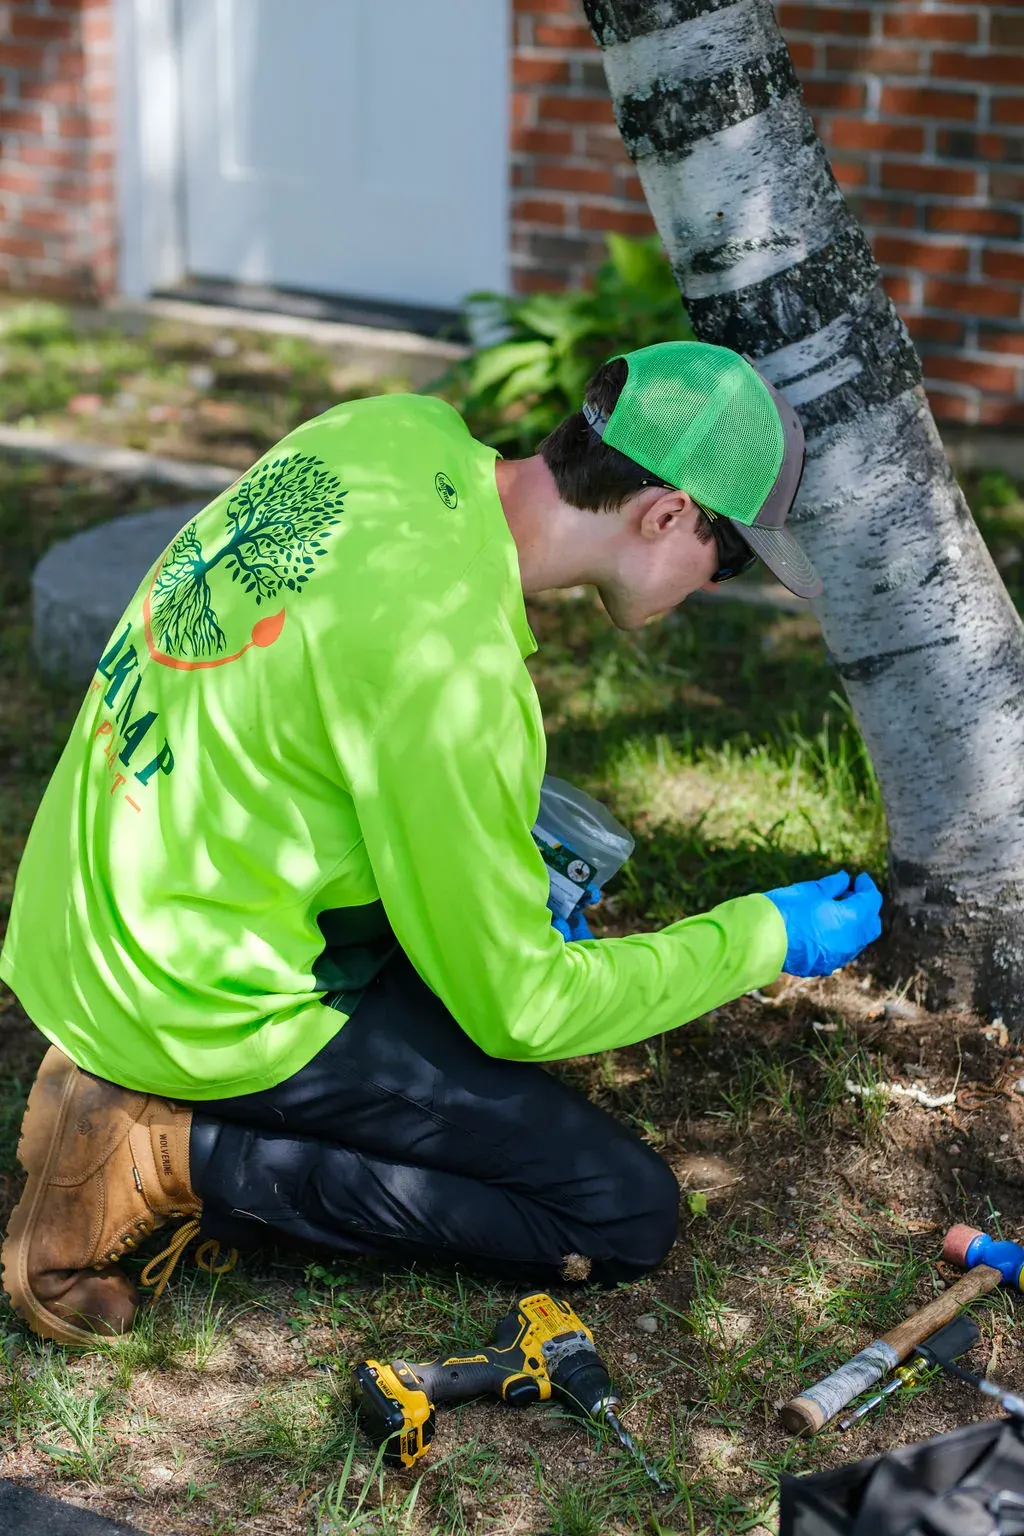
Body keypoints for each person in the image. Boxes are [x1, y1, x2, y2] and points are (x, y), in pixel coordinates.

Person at [0, 342, 882, 1348]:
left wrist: (496, 857)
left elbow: (317, 706)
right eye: (726, 559)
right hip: (189, 996)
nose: (712, 583)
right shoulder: (455, 679)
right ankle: (163, 1152)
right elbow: (527, 1007)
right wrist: (759, 936)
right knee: (619, 1211)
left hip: (86, 907)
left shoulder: (386, 429)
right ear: (667, 512)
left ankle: (139, 1087)